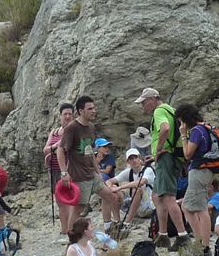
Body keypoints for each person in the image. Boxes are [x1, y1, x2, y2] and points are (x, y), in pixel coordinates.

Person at [56, 95, 120, 239]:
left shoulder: (91, 127)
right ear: (81, 111)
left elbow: (90, 151)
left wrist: (98, 172)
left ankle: (109, 228)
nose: (94, 111)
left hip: (91, 174)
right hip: (79, 176)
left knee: (110, 196)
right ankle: (72, 240)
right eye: (90, 108)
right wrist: (64, 172)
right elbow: (60, 150)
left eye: (94, 108)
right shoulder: (72, 128)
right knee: (78, 209)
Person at [133, 87, 189, 250]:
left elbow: (165, 128)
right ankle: (163, 234)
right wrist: (155, 155)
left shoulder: (158, 112)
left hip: (166, 159)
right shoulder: (170, 109)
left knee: (168, 197)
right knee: (157, 196)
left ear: (152, 99)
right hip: (171, 157)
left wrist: (158, 149)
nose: (143, 106)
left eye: (144, 102)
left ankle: (182, 235)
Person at [175, 103, 214, 256]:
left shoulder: (197, 131)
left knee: (201, 209)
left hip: (199, 171)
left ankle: (204, 247)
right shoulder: (204, 128)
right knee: (186, 206)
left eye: (181, 121)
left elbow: (187, 154)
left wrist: (183, 135)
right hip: (203, 171)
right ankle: (199, 242)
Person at [43, 102, 75, 234]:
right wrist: (56, 146)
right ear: (60, 116)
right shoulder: (54, 132)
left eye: (70, 114)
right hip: (54, 170)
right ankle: (64, 229)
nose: (67, 117)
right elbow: (45, 149)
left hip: (68, 170)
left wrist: (53, 149)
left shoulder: (73, 131)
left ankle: (71, 228)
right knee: (60, 201)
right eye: (65, 114)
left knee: (69, 200)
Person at [107, 148, 156, 225]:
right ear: (128, 161)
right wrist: (111, 188)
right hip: (138, 206)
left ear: (139, 158)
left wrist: (120, 187)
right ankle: (117, 221)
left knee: (136, 189)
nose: (134, 160)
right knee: (114, 191)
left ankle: (127, 222)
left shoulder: (148, 170)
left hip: (150, 206)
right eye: (131, 159)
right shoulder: (129, 172)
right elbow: (109, 181)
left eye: (136, 157)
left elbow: (140, 183)